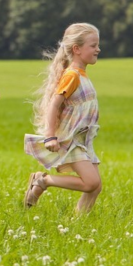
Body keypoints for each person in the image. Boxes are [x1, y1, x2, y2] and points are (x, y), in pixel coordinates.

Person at [23, 23, 102, 213]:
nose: (98, 49)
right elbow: (54, 104)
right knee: (91, 183)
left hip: (83, 139)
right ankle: (43, 181)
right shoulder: (72, 75)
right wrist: (50, 135)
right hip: (71, 139)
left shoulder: (81, 74)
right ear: (77, 49)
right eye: (93, 45)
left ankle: (78, 225)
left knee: (95, 187)